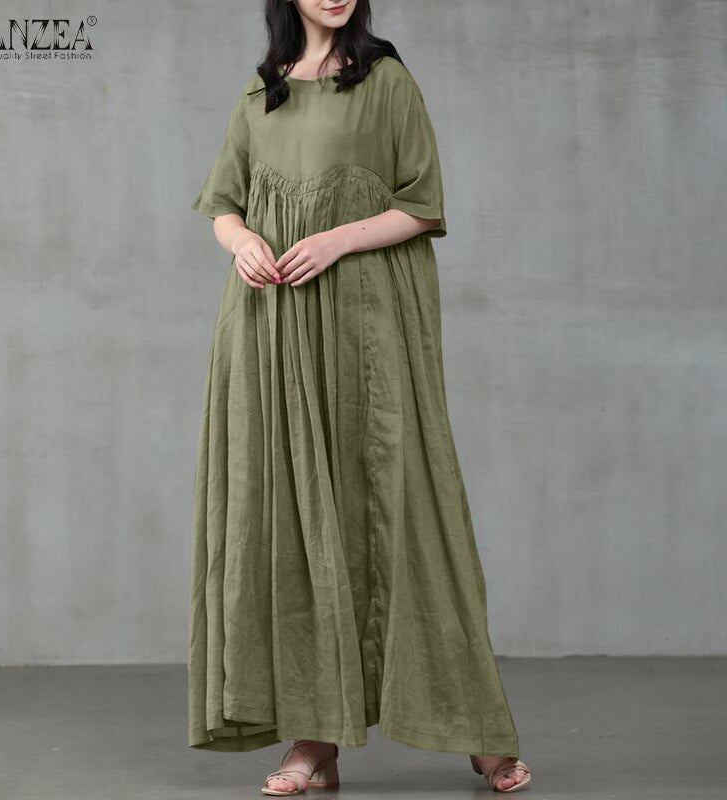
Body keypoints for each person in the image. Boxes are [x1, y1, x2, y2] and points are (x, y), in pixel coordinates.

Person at [187, 0, 532, 794]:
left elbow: (422, 203)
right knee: (297, 518)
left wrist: (335, 238)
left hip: (368, 326)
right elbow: (223, 205)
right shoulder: (262, 89)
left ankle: (477, 730)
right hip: (273, 329)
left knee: (404, 509)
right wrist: (243, 242)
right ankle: (314, 744)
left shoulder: (386, 81)